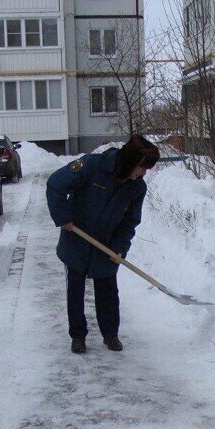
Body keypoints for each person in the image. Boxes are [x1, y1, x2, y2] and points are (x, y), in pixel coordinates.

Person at [46, 135, 160, 354]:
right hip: (77, 239)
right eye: (142, 168)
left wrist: (120, 247)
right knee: (76, 289)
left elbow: (130, 221)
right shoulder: (92, 166)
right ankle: (78, 336)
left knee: (108, 290)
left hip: (107, 243)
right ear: (130, 162)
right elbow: (55, 184)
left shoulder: (137, 187)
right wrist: (63, 216)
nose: (143, 173)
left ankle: (111, 334)